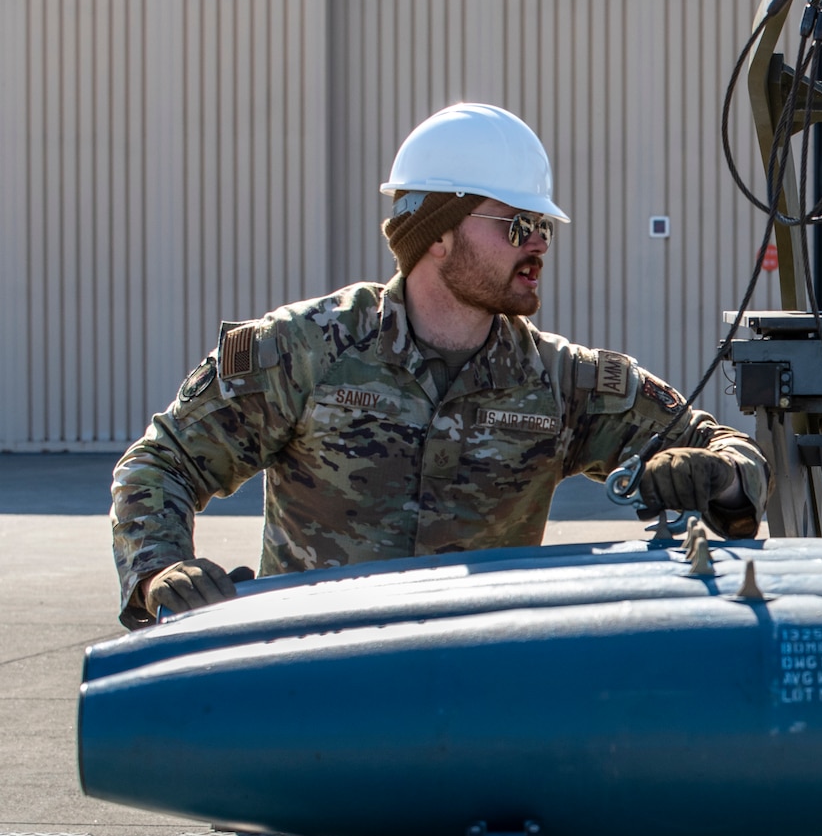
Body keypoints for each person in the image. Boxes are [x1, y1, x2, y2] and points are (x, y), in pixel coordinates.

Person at [112, 103, 766, 627]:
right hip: (316, 698)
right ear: (438, 232)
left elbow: (727, 452)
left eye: (544, 226)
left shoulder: (562, 383)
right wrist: (159, 569)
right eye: (516, 225)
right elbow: (163, 459)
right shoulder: (305, 353)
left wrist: (721, 479)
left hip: (474, 712)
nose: (538, 241)